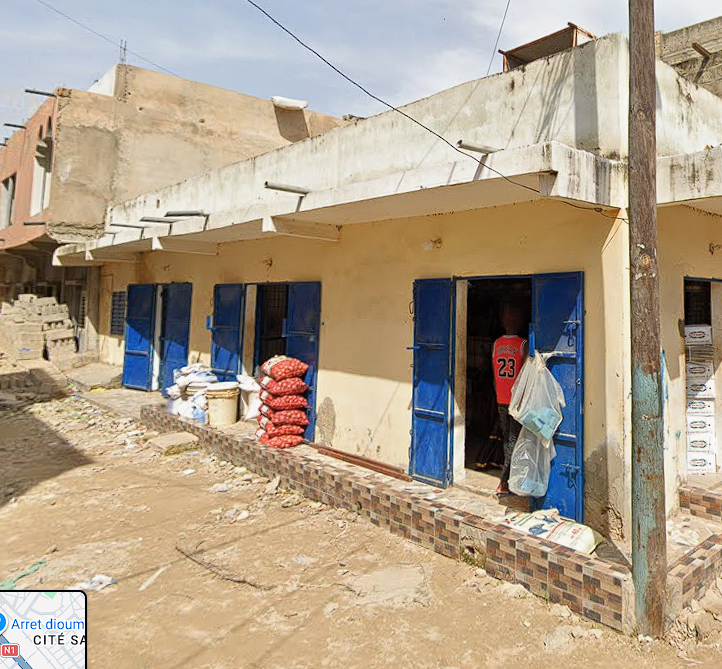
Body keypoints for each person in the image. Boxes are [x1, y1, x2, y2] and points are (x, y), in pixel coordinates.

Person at [492, 304, 528, 496]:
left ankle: (509, 479)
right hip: (517, 400)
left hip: (501, 398)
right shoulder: (523, 344)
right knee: (514, 440)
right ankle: (505, 481)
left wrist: (499, 393)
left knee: (508, 439)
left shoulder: (496, 344)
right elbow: (526, 375)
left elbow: (494, 375)